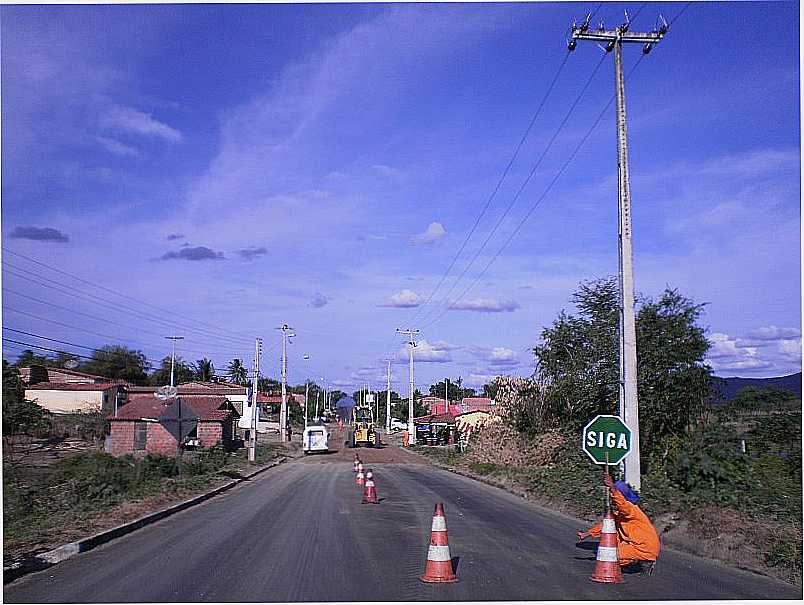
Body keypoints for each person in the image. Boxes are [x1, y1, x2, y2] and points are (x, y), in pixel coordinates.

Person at [577, 472, 660, 571]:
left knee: (609, 555)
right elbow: (606, 525)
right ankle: (632, 561)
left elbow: (622, 505)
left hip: (644, 548)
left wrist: (612, 487)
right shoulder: (620, 514)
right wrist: (587, 534)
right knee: (609, 549)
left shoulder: (631, 509)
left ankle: (643, 560)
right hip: (633, 544)